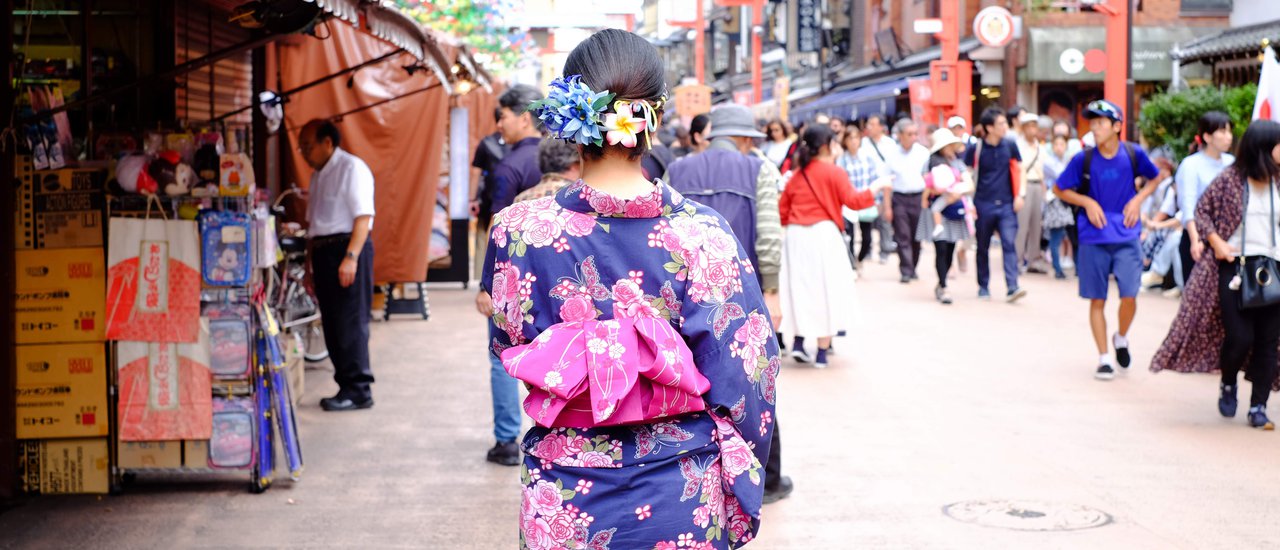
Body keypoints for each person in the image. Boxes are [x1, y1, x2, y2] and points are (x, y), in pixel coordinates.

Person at [485, 29, 777, 548]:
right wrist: (737, 469)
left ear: (569, 116)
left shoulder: (518, 230)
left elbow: (509, 344)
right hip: (681, 489)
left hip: (564, 492)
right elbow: (748, 375)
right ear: (653, 119)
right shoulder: (702, 234)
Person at [664, 103, 791, 504]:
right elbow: (768, 236)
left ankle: (701, 477)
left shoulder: (677, 170)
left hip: (684, 295)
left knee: (692, 383)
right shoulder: (759, 170)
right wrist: (772, 290)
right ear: (743, 139)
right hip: (741, 294)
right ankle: (767, 480)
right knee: (753, 382)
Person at [1152, 120, 1280, 430]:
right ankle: (1228, 381)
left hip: (1275, 267)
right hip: (1235, 265)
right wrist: (1217, 242)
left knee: (1269, 341)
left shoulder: (1279, 181)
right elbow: (1202, 211)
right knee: (1240, 336)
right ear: (1263, 147)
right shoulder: (1231, 179)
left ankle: (1258, 406)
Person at [476, 138, 584, 467]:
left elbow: (496, 253)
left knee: (502, 361)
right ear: (574, 163)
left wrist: (485, 290)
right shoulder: (582, 201)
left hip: (523, 300)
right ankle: (561, 434)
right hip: (573, 305)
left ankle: (507, 440)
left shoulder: (519, 204)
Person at [1053, 99, 1161, 381]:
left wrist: (1138, 200)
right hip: (1093, 234)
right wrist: (1087, 202)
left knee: (1129, 295)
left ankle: (1121, 337)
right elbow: (1059, 188)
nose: (1095, 127)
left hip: (1127, 232)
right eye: (1092, 122)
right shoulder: (1084, 159)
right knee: (1097, 299)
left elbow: (1155, 177)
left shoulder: (1133, 154)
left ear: (1116, 126)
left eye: (1101, 122)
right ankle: (1103, 358)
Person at [780, 125, 888, 368]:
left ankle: (798, 343)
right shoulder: (835, 173)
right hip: (824, 235)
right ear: (826, 145)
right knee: (827, 290)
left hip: (796, 236)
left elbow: (782, 211)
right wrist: (877, 186)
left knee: (800, 289)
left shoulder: (797, 175)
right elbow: (854, 201)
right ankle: (821, 352)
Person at [300, 119, 376, 411]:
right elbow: (314, 225)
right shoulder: (318, 176)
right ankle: (345, 385)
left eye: (308, 146)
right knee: (332, 322)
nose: (304, 153)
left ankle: (359, 389)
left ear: (327, 143)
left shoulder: (351, 168)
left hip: (346, 248)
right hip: (323, 251)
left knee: (350, 320)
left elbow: (363, 217)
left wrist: (351, 257)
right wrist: (309, 266)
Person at [964, 107, 1028, 302]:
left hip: (1007, 204)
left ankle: (1012, 286)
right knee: (982, 246)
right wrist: (969, 202)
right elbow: (967, 174)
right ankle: (983, 286)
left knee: (1009, 243)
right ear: (989, 128)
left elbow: (1020, 169)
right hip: (983, 204)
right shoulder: (976, 148)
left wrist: (1020, 195)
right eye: (1001, 124)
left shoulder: (1010, 145)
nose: (1005, 127)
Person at [1178, 111, 1236, 287]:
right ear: (1207, 136)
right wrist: (1195, 239)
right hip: (1199, 238)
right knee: (1197, 295)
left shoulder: (1231, 163)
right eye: (1223, 132)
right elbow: (1188, 205)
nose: (1228, 137)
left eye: (1230, 132)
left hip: (1227, 240)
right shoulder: (1191, 164)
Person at [916, 128, 973, 304]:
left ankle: (942, 282)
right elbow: (927, 186)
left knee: (950, 249)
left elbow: (969, 184)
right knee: (940, 248)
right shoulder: (929, 163)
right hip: (937, 212)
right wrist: (941, 190)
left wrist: (957, 192)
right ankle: (943, 285)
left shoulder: (958, 163)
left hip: (953, 211)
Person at [883, 119, 931, 283]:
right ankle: (906, 269)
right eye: (909, 134)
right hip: (899, 199)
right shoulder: (892, 154)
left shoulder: (923, 153)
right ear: (900, 135)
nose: (913, 137)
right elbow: (887, 183)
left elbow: (928, 179)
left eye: (915, 134)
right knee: (902, 235)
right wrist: (887, 207)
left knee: (917, 236)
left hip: (919, 198)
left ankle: (913, 267)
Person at [835, 126, 890, 266]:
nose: (853, 141)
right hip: (848, 203)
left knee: (867, 238)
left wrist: (878, 200)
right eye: (850, 138)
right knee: (850, 236)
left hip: (865, 201)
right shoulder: (842, 160)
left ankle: (859, 260)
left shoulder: (868, 157)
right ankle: (852, 264)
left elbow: (875, 178)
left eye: (856, 138)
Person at [490, 84, 547, 217]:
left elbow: (498, 222)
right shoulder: (561, 157)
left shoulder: (510, 165)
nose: (499, 125)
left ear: (525, 119)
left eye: (503, 117)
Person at [470, 109, 509, 279]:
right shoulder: (519, 145)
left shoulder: (486, 143)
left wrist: (472, 199)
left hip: (489, 198)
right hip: (514, 199)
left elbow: (475, 172)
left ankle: (482, 278)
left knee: (484, 237)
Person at [1015, 111, 1050, 274]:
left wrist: (1045, 191)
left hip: (1037, 186)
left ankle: (1033, 260)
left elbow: (1043, 171)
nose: (1032, 129)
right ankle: (1016, 260)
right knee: (1021, 225)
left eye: (1034, 126)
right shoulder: (1017, 145)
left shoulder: (1041, 147)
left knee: (1037, 225)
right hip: (1024, 186)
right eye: (1028, 126)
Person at [861, 114, 899, 263]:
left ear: (881, 127)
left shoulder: (890, 144)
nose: (868, 127)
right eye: (868, 124)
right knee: (867, 219)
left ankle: (885, 250)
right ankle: (867, 249)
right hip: (869, 186)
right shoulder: (864, 143)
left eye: (872, 124)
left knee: (885, 219)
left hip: (885, 186)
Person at [1042, 134, 1077, 279]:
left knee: (1071, 236)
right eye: (1056, 144)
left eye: (1062, 144)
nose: (1059, 147)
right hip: (1055, 202)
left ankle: (1076, 268)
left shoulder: (1067, 162)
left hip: (1067, 202)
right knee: (1056, 238)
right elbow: (1063, 177)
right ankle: (1057, 269)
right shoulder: (1049, 162)